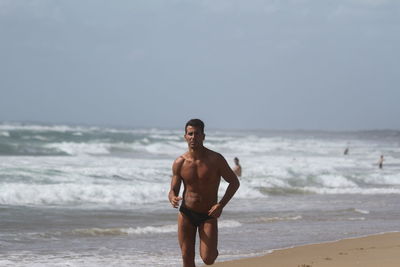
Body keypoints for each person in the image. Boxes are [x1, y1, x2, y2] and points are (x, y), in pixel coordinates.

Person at [168, 119, 240, 267]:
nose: (193, 137)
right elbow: (173, 189)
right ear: (185, 136)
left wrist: (221, 205)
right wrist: (172, 197)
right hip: (186, 213)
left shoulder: (215, 159)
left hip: (208, 214)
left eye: (197, 133)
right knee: (187, 257)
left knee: (208, 259)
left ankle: (212, 250)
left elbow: (234, 182)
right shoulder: (179, 162)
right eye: (190, 134)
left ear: (203, 136)